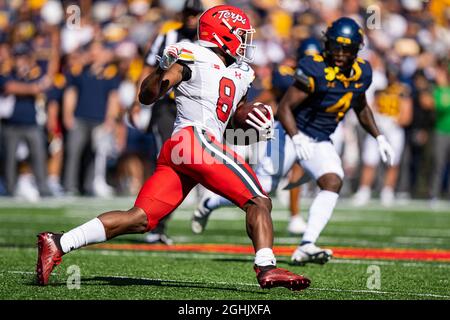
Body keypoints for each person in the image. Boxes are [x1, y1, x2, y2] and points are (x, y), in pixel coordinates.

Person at [36, 5, 310, 291]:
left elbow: (227, 123)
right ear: (223, 34)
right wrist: (161, 71)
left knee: (140, 219)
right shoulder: (193, 55)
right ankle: (267, 267)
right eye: (240, 34)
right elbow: (147, 96)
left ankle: (58, 242)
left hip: (185, 149)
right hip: (193, 141)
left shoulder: (242, 72)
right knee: (258, 199)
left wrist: (254, 127)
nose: (245, 40)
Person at [276, 17, 395, 265]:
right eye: (336, 47)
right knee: (261, 187)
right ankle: (212, 203)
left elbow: (361, 107)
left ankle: (306, 244)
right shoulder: (314, 67)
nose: (340, 53)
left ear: (356, 49)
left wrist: (379, 136)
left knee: (333, 180)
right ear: (327, 44)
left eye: (347, 49)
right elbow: (284, 107)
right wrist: (296, 137)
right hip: (289, 132)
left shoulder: (363, 72)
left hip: (320, 138)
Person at [191, 37, 323, 236]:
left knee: (308, 173)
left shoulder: (324, 74)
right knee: (262, 188)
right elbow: (272, 94)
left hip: (308, 131)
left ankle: (296, 219)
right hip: (284, 131)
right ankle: (212, 201)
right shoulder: (286, 74)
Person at [139, 0, 204, 245]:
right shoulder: (168, 36)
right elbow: (148, 68)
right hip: (167, 106)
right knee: (169, 161)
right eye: (189, 13)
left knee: (191, 162)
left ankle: (160, 220)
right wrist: (140, 102)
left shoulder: (208, 42)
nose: (192, 18)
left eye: (196, 13)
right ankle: (153, 221)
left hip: (197, 108)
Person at [352, 68, 412, 207]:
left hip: (394, 129)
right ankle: (364, 190)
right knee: (369, 159)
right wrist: (379, 119)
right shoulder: (379, 91)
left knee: (393, 161)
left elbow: (407, 116)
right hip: (379, 128)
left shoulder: (403, 91)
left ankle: (388, 191)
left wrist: (393, 121)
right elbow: (371, 109)